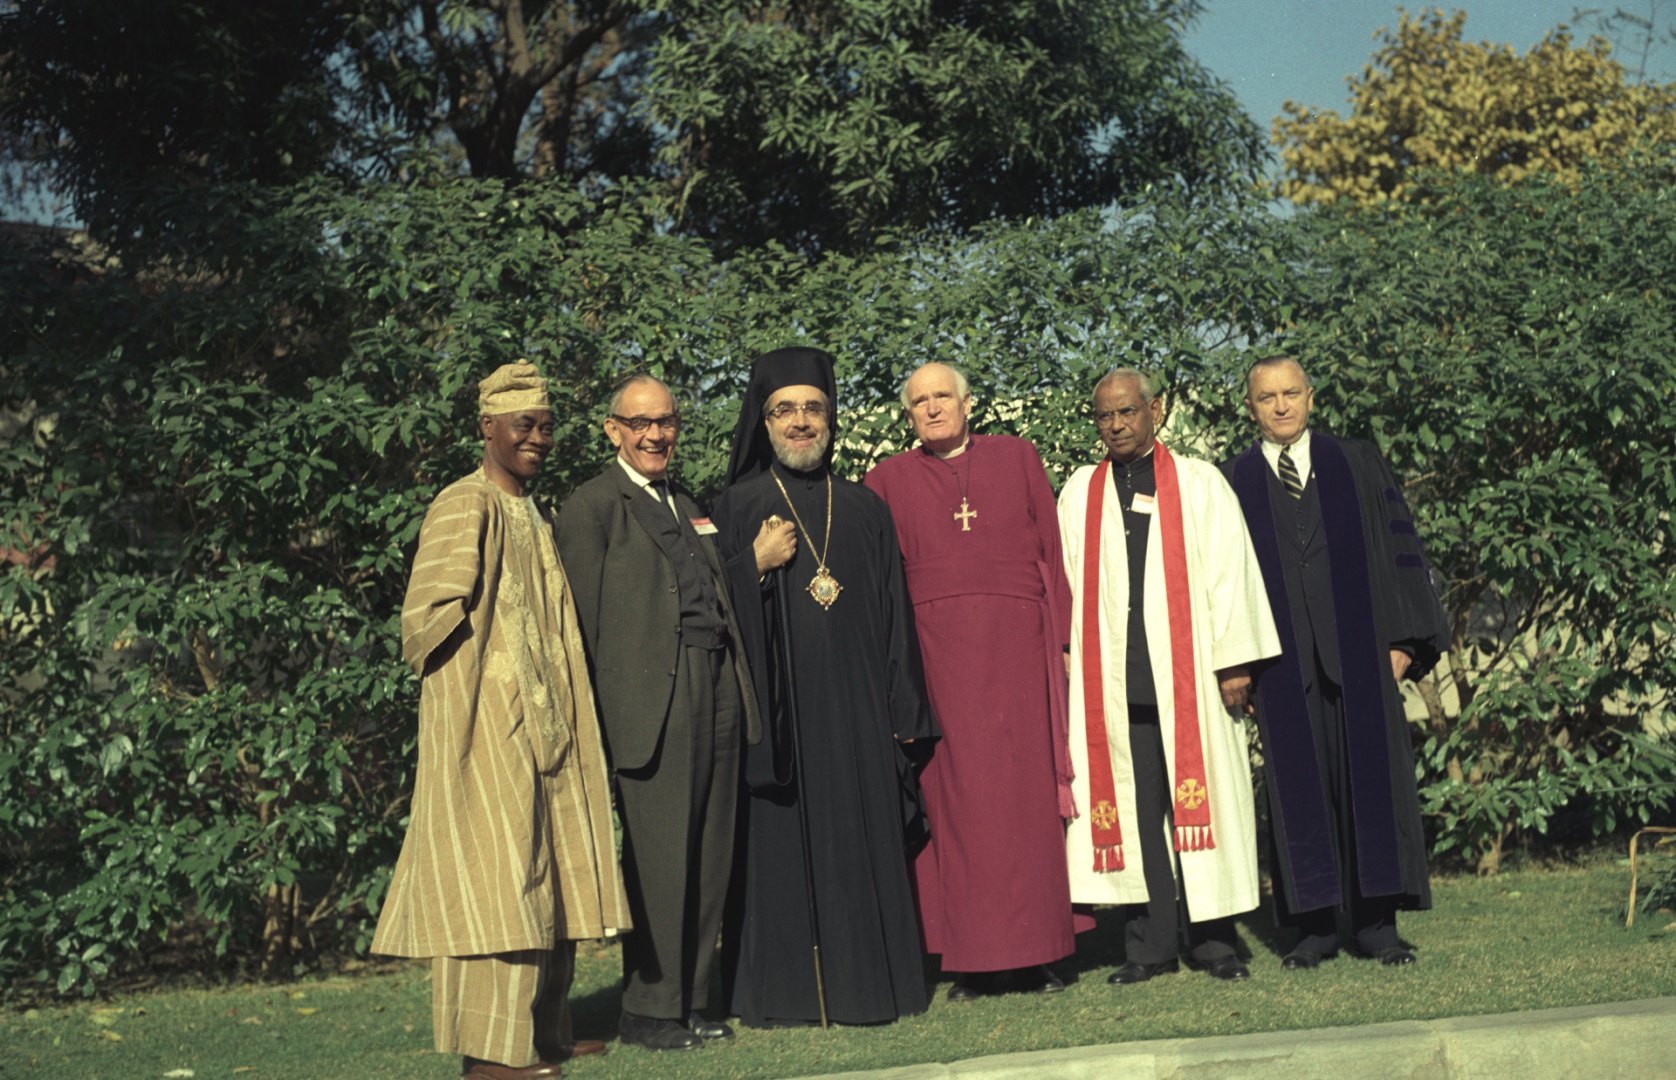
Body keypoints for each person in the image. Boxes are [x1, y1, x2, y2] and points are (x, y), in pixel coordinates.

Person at [372, 362, 631, 1080]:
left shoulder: (530, 511)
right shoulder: (466, 503)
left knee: (547, 882)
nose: (538, 438)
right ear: (487, 426)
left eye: (547, 425)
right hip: (490, 734)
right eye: (524, 424)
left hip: (548, 734)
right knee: (496, 886)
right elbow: (424, 619)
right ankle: (491, 1056)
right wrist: (484, 700)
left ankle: (545, 1034)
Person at [712, 346, 939, 1028]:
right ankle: (783, 997)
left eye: (813, 409)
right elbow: (706, 611)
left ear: (831, 419)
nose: (801, 422)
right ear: (765, 420)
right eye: (786, 410)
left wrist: (905, 710)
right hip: (777, 719)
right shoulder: (735, 506)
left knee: (862, 842)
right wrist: (750, 565)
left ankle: (873, 986)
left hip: (861, 714)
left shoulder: (866, 508)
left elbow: (897, 616)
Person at [554, 374, 761, 1051]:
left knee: (710, 853)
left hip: (716, 685)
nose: (655, 435)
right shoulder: (590, 508)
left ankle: (695, 1002)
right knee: (661, 858)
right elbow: (579, 630)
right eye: (640, 422)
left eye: (665, 421)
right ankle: (648, 1010)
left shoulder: (685, 501)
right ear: (612, 429)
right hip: (652, 706)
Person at [862, 362, 1081, 1001]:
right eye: (919, 402)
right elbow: (881, 583)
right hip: (938, 664)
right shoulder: (886, 480)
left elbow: (1053, 556)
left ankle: (1038, 953)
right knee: (957, 808)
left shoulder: (1017, 457)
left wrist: (1063, 642)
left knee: (1026, 807)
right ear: (908, 416)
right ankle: (972, 961)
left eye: (942, 397)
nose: (932, 409)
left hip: (1020, 656)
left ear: (967, 403)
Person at [1222, 355, 1448, 969]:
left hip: (1362, 653)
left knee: (1373, 783)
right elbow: (1215, 581)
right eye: (1266, 397)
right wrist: (1232, 662)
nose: (1281, 406)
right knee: (1298, 789)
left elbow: (1403, 547)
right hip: (1278, 663)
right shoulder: (1232, 479)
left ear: (1311, 397)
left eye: (1291, 393)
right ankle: (1315, 928)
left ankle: (1377, 926)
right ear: (1251, 407)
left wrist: (1404, 641)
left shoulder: (1357, 461)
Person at [1057, 368, 1281, 986]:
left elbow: (1231, 574)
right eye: (1104, 416)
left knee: (1202, 807)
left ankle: (1214, 943)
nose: (1117, 425)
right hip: (1115, 684)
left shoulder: (1199, 484)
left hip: (1192, 685)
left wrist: (1235, 660)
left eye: (1127, 412)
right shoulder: (1080, 492)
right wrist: (1070, 652)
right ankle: (1149, 946)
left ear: (1153, 410)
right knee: (1135, 814)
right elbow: (1068, 585)